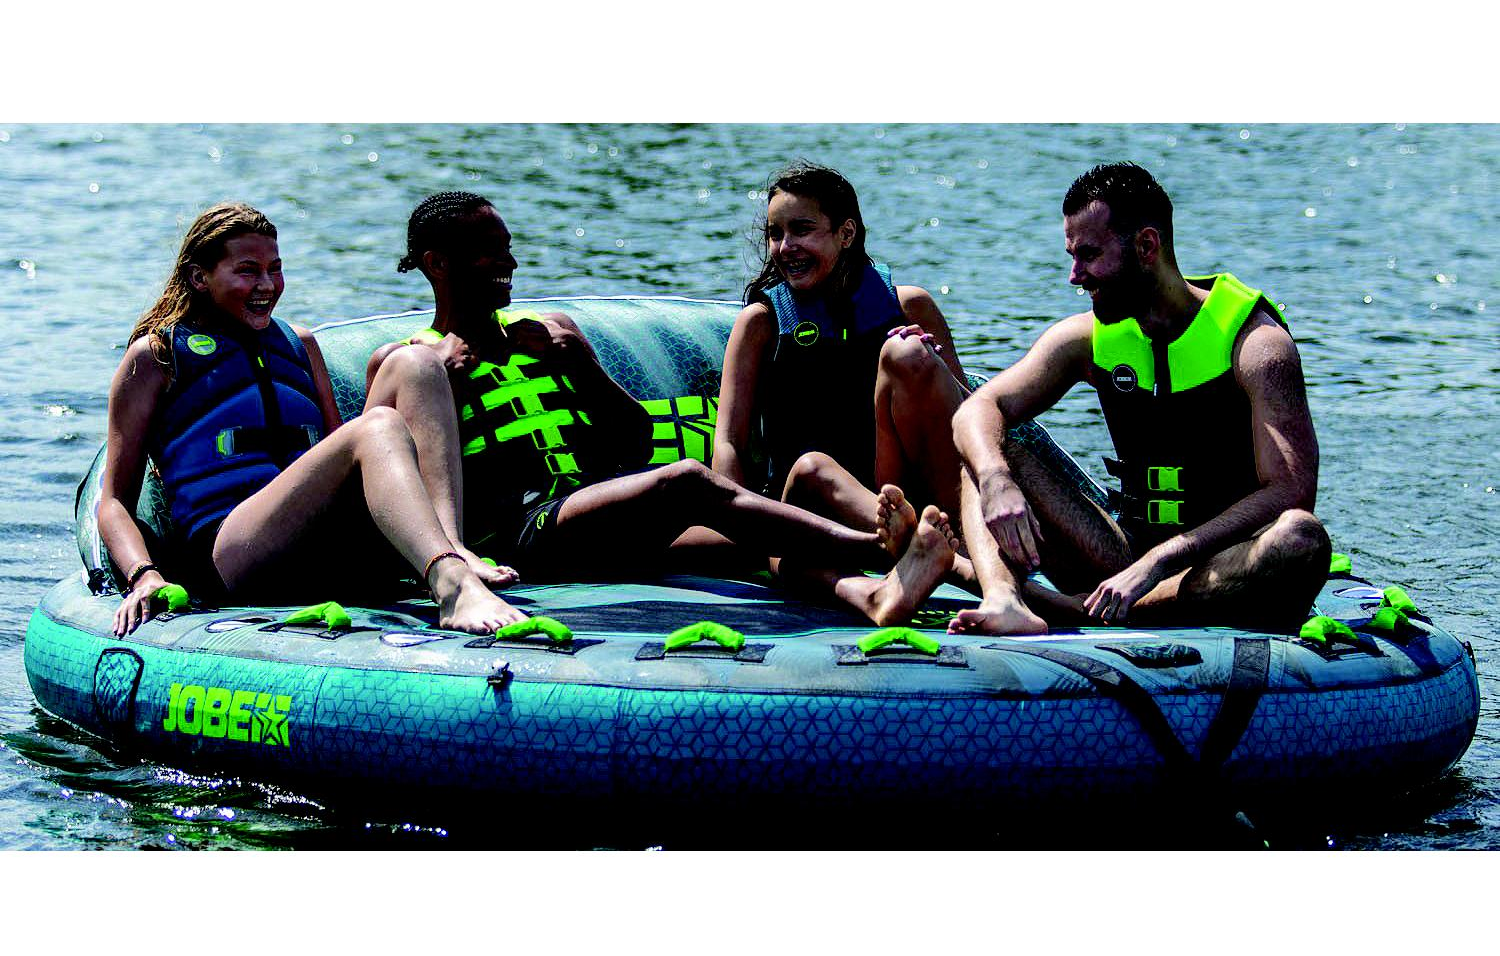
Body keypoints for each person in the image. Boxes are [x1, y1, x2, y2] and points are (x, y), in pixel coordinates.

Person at [365, 192, 960, 625]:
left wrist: (584, 367)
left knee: (762, 542)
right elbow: (381, 478)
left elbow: (634, 444)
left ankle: (876, 593)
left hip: (591, 520)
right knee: (686, 482)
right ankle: (879, 547)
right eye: (488, 253)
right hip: (515, 539)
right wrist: (446, 380)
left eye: (508, 249)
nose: (510, 264)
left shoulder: (549, 335)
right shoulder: (409, 361)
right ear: (436, 264)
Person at [100, 202, 525, 638]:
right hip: (234, 550)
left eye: (275, 269)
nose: (267, 285)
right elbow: (113, 501)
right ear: (198, 277)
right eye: (247, 271)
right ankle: (452, 585)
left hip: (320, 537)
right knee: (377, 425)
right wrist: (143, 574)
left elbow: (334, 450)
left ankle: (451, 547)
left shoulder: (299, 344)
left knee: (416, 363)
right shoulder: (156, 358)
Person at [949, 161, 1331, 636]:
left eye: (1089, 255)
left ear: (1147, 246)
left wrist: (1159, 561)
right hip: (1119, 557)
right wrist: (996, 479)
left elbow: (1291, 491)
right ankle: (1005, 599)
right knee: (988, 447)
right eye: (1072, 256)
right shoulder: (1086, 338)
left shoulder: (1256, 345)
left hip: (1219, 563)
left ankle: (1069, 607)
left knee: (1300, 538)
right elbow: (976, 409)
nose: (1075, 276)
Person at [714, 161, 974, 570]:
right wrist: (745, 531)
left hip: (900, 502)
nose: (785, 247)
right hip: (809, 502)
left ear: (846, 234)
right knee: (816, 472)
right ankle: (942, 559)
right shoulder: (761, 324)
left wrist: (930, 368)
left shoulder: (910, 308)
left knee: (911, 356)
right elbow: (729, 442)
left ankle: (956, 539)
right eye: (775, 234)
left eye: (802, 230)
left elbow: (966, 423)